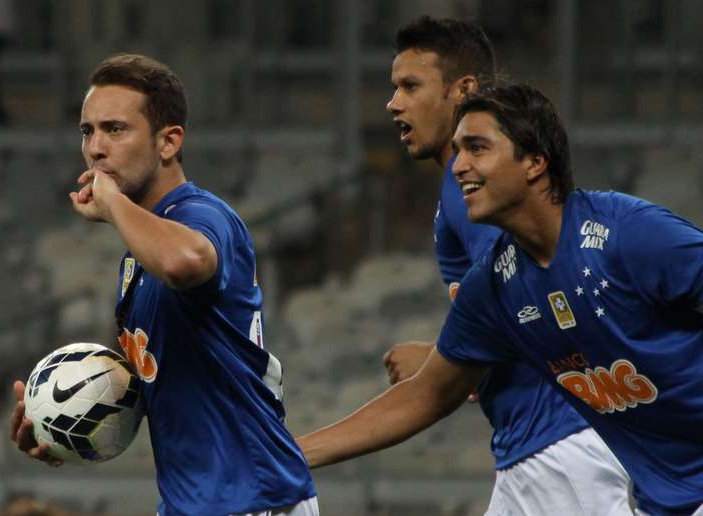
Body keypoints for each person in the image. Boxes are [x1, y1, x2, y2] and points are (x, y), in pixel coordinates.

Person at [297, 83, 703, 516]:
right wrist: (293, 453)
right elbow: (428, 395)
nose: (458, 166)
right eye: (457, 150)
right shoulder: (493, 286)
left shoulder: (628, 235)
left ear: (534, 162)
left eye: (476, 148)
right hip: (665, 502)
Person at [9, 54, 318, 516]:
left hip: (251, 498)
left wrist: (112, 203)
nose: (95, 148)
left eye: (115, 129)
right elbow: (175, 382)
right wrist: (65, 424)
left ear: (169, 141)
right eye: (87, 131)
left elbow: (185, 260)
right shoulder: (139, 256)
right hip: (193, 502)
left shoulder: (201, 215)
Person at [382, 17, 632, 514]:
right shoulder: (460, 197)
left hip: (560, 443)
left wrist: (439, 358)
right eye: (394, 88)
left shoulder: (474, 194)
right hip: (536, 447)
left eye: (411, 86)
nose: (393, 103)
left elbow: (538, 296)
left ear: (464, 90)